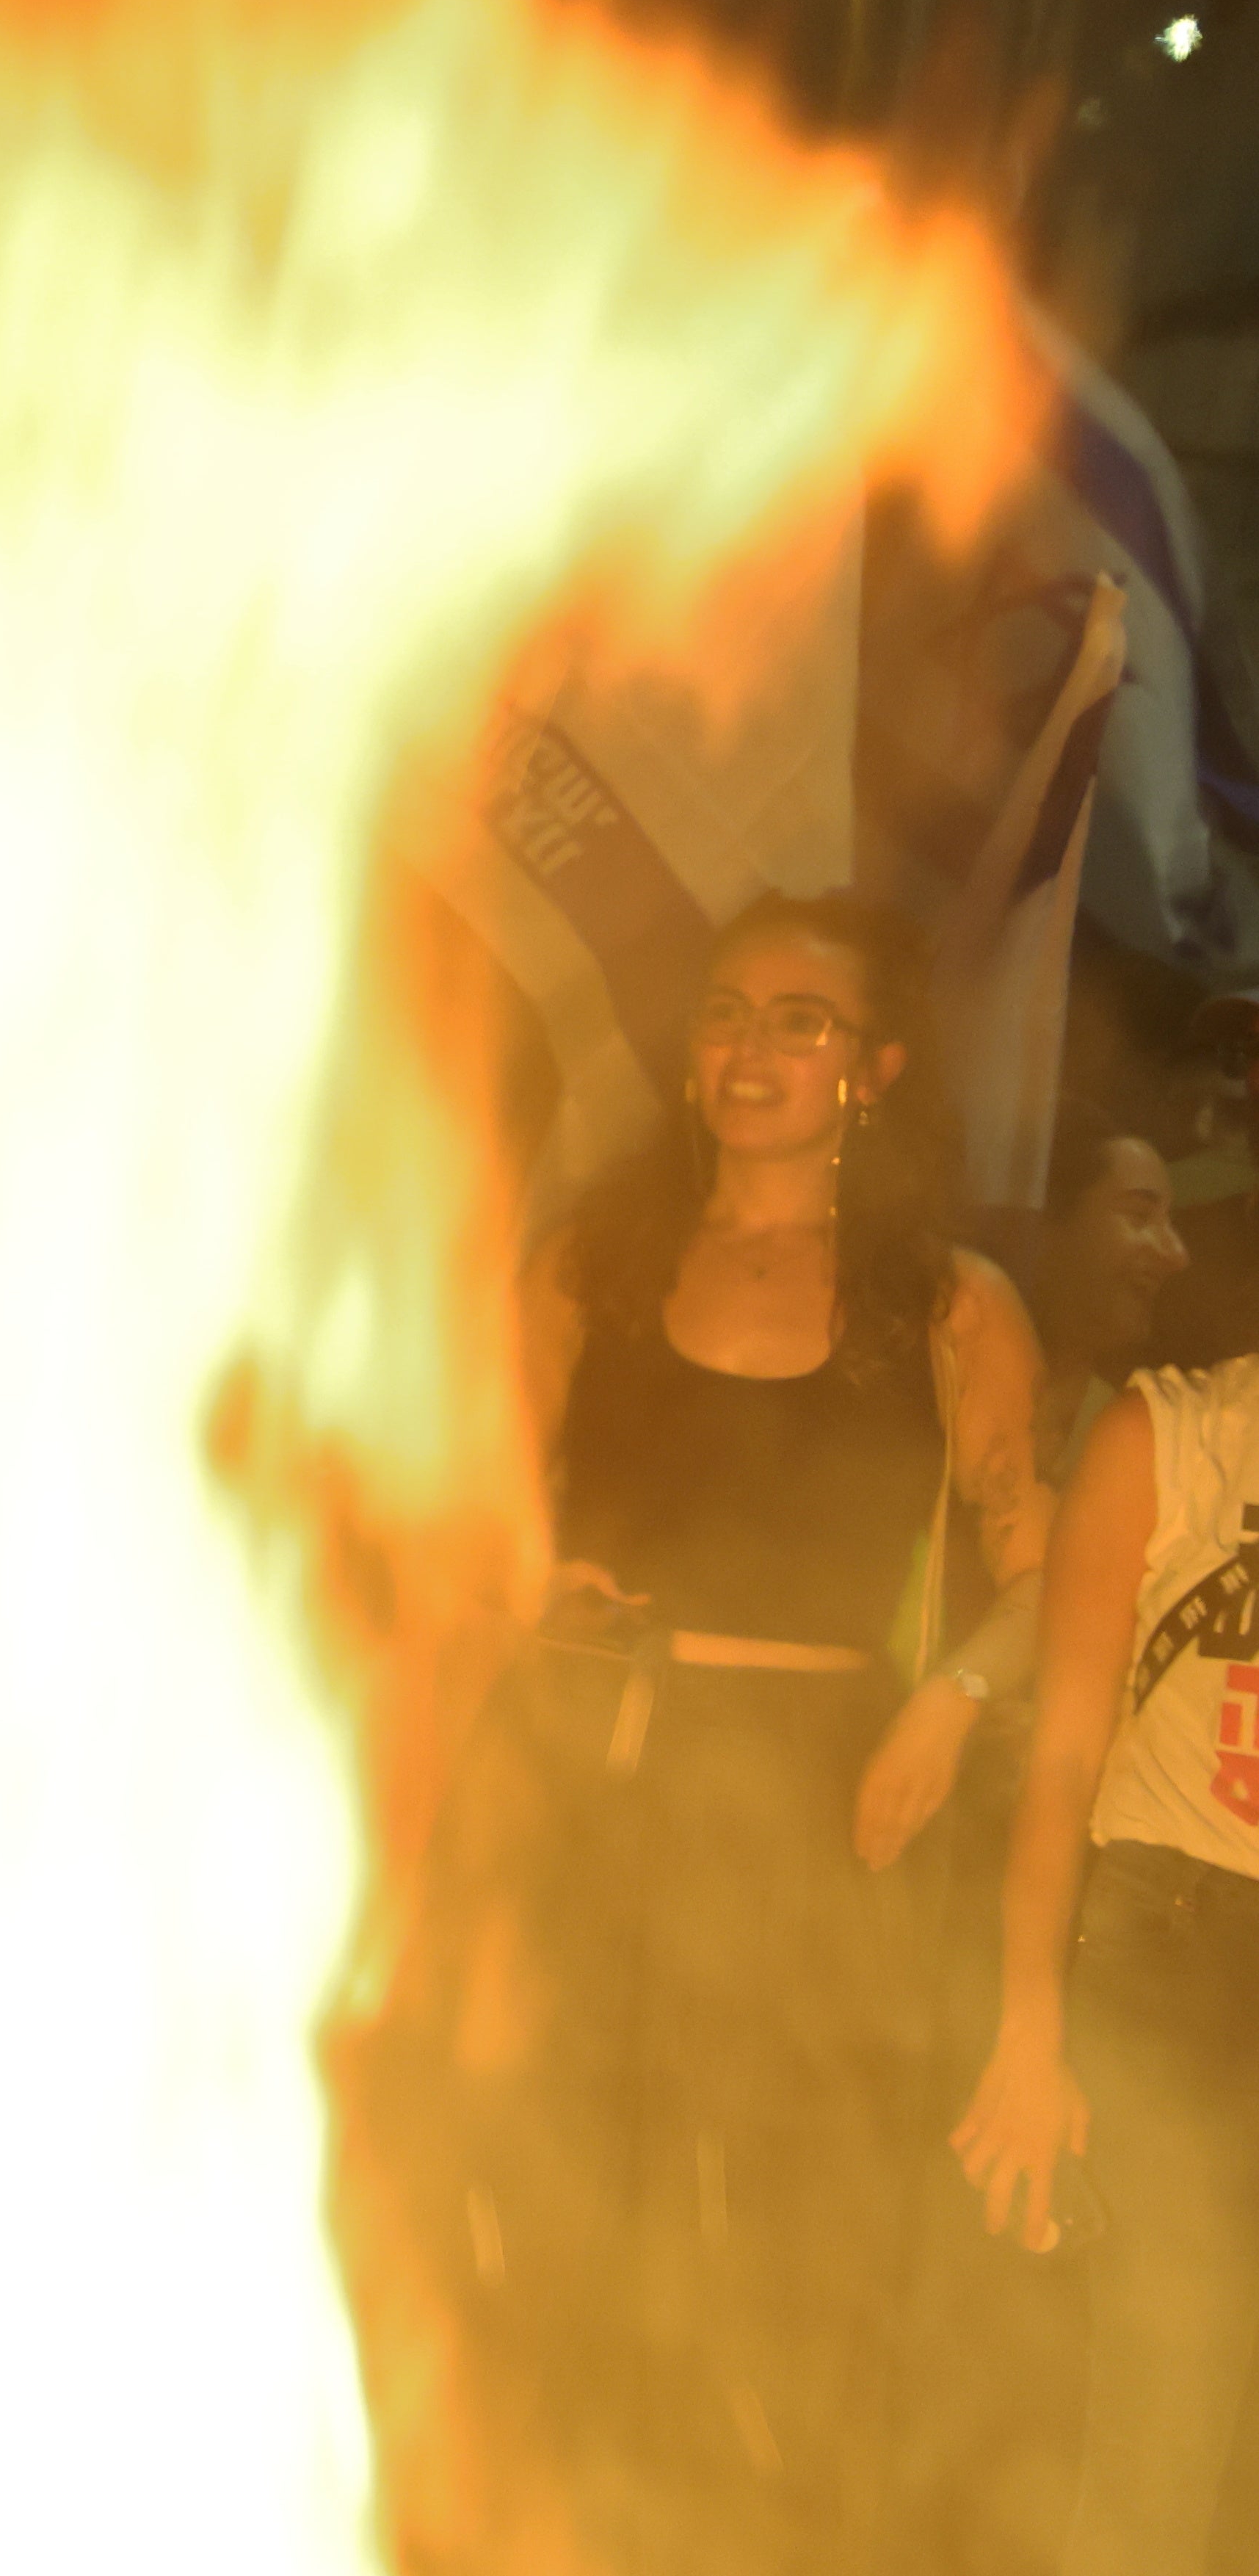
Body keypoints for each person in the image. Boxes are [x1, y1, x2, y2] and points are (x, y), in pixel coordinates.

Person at [510, 893, 1053, 2576]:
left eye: (801, 1021)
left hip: (816, 1800)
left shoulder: (945, 1303)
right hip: (582, 1764)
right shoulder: (593, 1258)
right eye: (729, 1012)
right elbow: (476, 1488)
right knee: (560, 2191)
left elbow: (1047, 1570)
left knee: (776, 2226)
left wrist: (951, 1703)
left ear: (876, 1068)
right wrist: (536, 1578)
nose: (750, 1049)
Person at [951, 1331, 1259, 2576]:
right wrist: (1029, 2039)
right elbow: (1064, 1761)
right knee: (1162, 2433)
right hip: (1174, 1945)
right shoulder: (1170, 1437)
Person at [1026, 1099, 1197, 1467]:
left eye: (1171, 1222)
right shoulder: (951, 1384)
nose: (1177, 1255)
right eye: (1139, 1216)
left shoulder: (1133, 1438)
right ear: (1053, 1222)